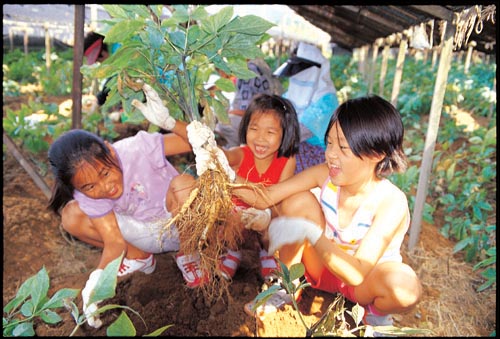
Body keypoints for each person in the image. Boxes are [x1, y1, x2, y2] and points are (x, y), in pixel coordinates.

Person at [232, 95, 422, 326]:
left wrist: (311, 233)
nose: (331, 154)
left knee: (405, 287)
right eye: (330, 143)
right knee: (297, 200)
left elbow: (357, 273)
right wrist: (226, 174)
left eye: (343, 147)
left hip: (362, 283)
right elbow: (267, 198)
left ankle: (376, 317)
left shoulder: (391, 202)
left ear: (376, 154)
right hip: (321, 270)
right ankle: (287, 284)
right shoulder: (324, 175)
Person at [47, 83, 199, 329]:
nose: (105, 187)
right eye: (90, 187)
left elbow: (192, 144)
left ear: (110, 150)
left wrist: (170, 122)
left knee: (183, 185)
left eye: (105, 172)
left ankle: (190, 255)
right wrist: (96, 284)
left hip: (180, 221)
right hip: (142, 233)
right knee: (72, 215)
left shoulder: (136, 149)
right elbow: (113, 241)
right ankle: (139, 258)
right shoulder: (84, 191)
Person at [215, 93, 301, 283]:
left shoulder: (287, 161)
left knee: (276, 222)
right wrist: (212, 151)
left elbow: (280, 200)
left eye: (270, 132)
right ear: (245, 128)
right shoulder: (242, 154)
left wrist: (267, 216)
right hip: (238, 218)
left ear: (285, 133)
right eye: (254, 129)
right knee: (233, 219)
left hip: (267, 218)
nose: (260, 138)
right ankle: (233, 252)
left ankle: (267, 253)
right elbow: (227, 156)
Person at [274, 42, 339, 174]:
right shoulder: (294, 93)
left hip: (318, 154)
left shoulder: (326, 100)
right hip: (294, 146)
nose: (298, 76)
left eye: (302, 71)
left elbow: (297, 134)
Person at [215, 58, 283, 149]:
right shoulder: (259, 64)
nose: (222, 75)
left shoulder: (247, 70)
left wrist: (226, 114)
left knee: (223, 126)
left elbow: (247, 111)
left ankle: (231, 154)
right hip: (265, 114)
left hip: (257, 117)